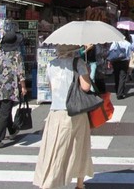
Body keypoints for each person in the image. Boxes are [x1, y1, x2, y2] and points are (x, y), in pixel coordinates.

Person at [33, 45, 94, 189]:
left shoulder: (51, 63)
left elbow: (50, 86)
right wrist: (86, 73)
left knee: (55, 148)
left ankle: (49, 180)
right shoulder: (78, 63)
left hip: (56, 111)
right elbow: (86, 87)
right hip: (76, 111)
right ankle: (79, 183)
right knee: (80, 146)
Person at [108, 33, 132, 99]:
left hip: (115, 61)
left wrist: (109, 61)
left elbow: (110, 51)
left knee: (116, 76)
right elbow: (129, 55)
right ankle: (120, 93)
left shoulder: (114, 43)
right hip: (124, 61)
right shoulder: (128, 44)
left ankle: (117, 90)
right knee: (122, 77)